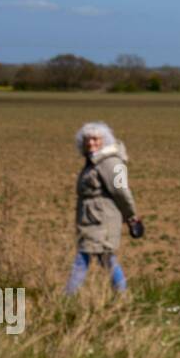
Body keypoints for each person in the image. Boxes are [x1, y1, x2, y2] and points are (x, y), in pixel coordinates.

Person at [66, 121, 141, 294]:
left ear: (104, 140)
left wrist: (132, 216)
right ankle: (122, 295)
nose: (91, 143)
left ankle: (67, 297)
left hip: (102, 219)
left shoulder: (112, 162)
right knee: (105, 258)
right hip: (92, 218)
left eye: (95, 139)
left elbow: (122, 190)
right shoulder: (93, 161)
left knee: (83, 258)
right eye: (87, 139)